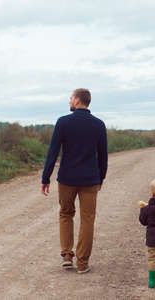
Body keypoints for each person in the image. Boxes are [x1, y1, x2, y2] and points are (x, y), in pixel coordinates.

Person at [41, 88, 108, 274]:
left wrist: (45, 177)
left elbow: (52, 152)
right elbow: (103, 156)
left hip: (67, 179)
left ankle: (67, 256)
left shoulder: (63, 122)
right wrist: (101, 177)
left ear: (78, 100)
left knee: (65, 214)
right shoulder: (98, 125)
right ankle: (83, 263)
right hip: (90, 179)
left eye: (71, 98)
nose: (69, 100)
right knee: (87, 219)